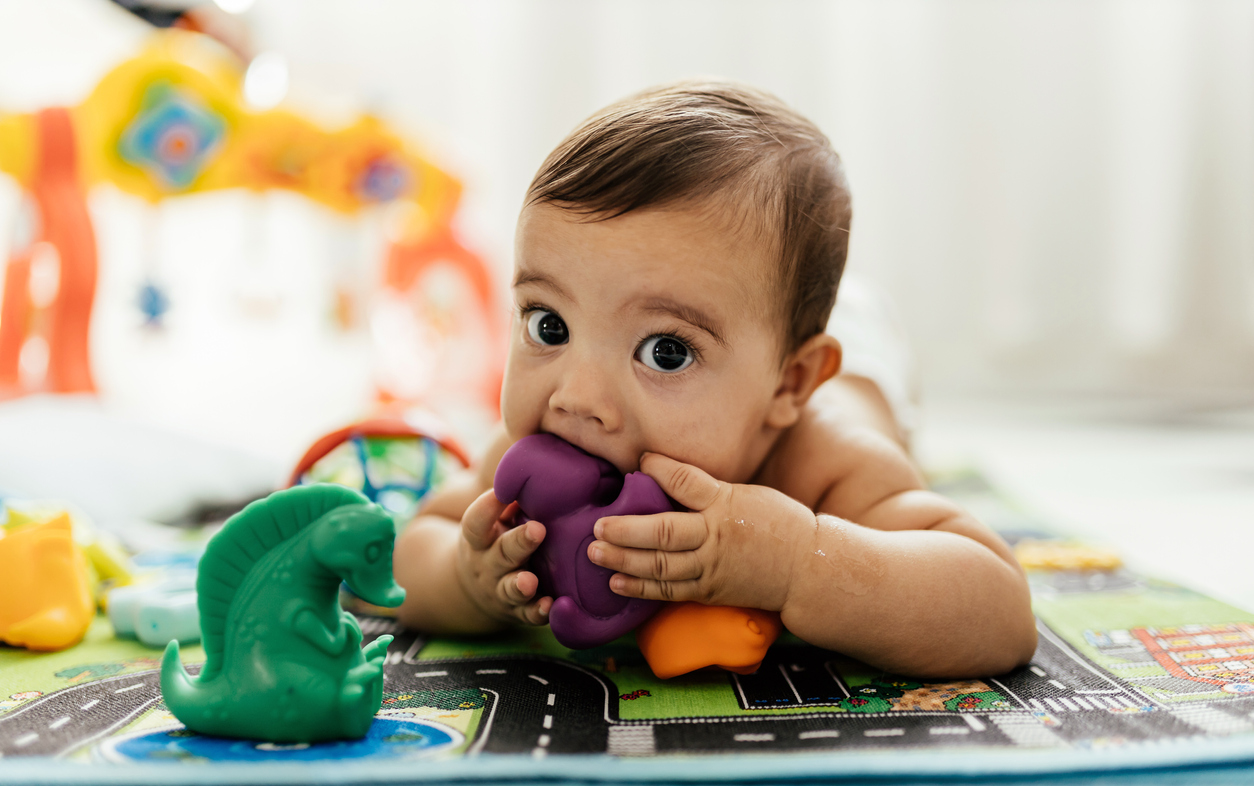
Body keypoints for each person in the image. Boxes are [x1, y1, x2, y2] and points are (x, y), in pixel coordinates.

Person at [393, 79, 1036, 679]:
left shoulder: (826, 466)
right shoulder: (535, 459)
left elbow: (998, 607)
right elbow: (414, 545)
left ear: (789, 387)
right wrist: (466, 577)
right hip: (768, 336)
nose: (577, 398)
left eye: (666, 351)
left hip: (866, 362)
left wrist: (797, 563)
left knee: (846, 350)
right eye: (549, 326)